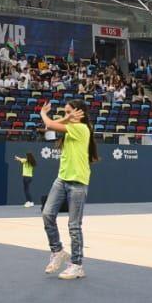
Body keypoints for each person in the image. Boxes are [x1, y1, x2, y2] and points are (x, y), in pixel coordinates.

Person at [39, 100, 96, 280]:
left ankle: (77, 265)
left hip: (77, 182)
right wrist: (67, 117)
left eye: (69, 111)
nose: (66, 114)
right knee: (47, 214)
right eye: (65, 112)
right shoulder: (70, 127)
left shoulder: (81, 128)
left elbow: (49, 124)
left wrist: (43, 113)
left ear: (79, 113)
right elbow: (49, 128)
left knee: (74, 225)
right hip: (61, 179)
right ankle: (58, 251)